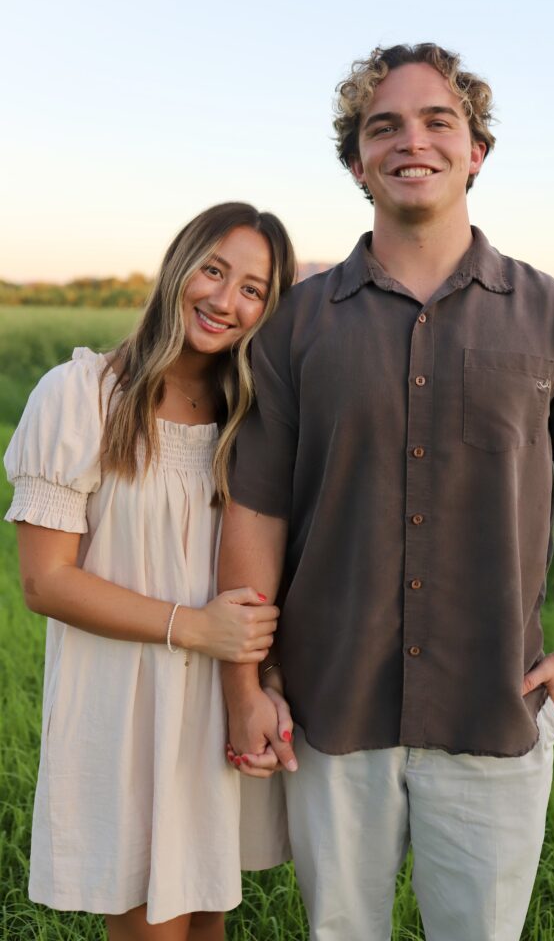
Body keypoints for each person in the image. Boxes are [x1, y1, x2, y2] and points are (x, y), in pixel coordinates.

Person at [219, 45, 554, 941]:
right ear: (356, 163)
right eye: (383, 127)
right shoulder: (297, 327)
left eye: (436, 122)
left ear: (475, 153)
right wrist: (243, 686)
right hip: (330, 711)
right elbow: (255, 509)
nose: (409, 141)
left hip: (494, 711)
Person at [4, 202, 297, 941]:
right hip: (126, 707)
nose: (226, 300)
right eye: (214, 269)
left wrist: (261, 685)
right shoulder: (80, 398)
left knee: (206, 919)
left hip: (219, 701)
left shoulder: (250, 416)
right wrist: (194, 626)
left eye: (254, 289)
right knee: (150, 924)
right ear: (179, 266)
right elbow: (46, 581)